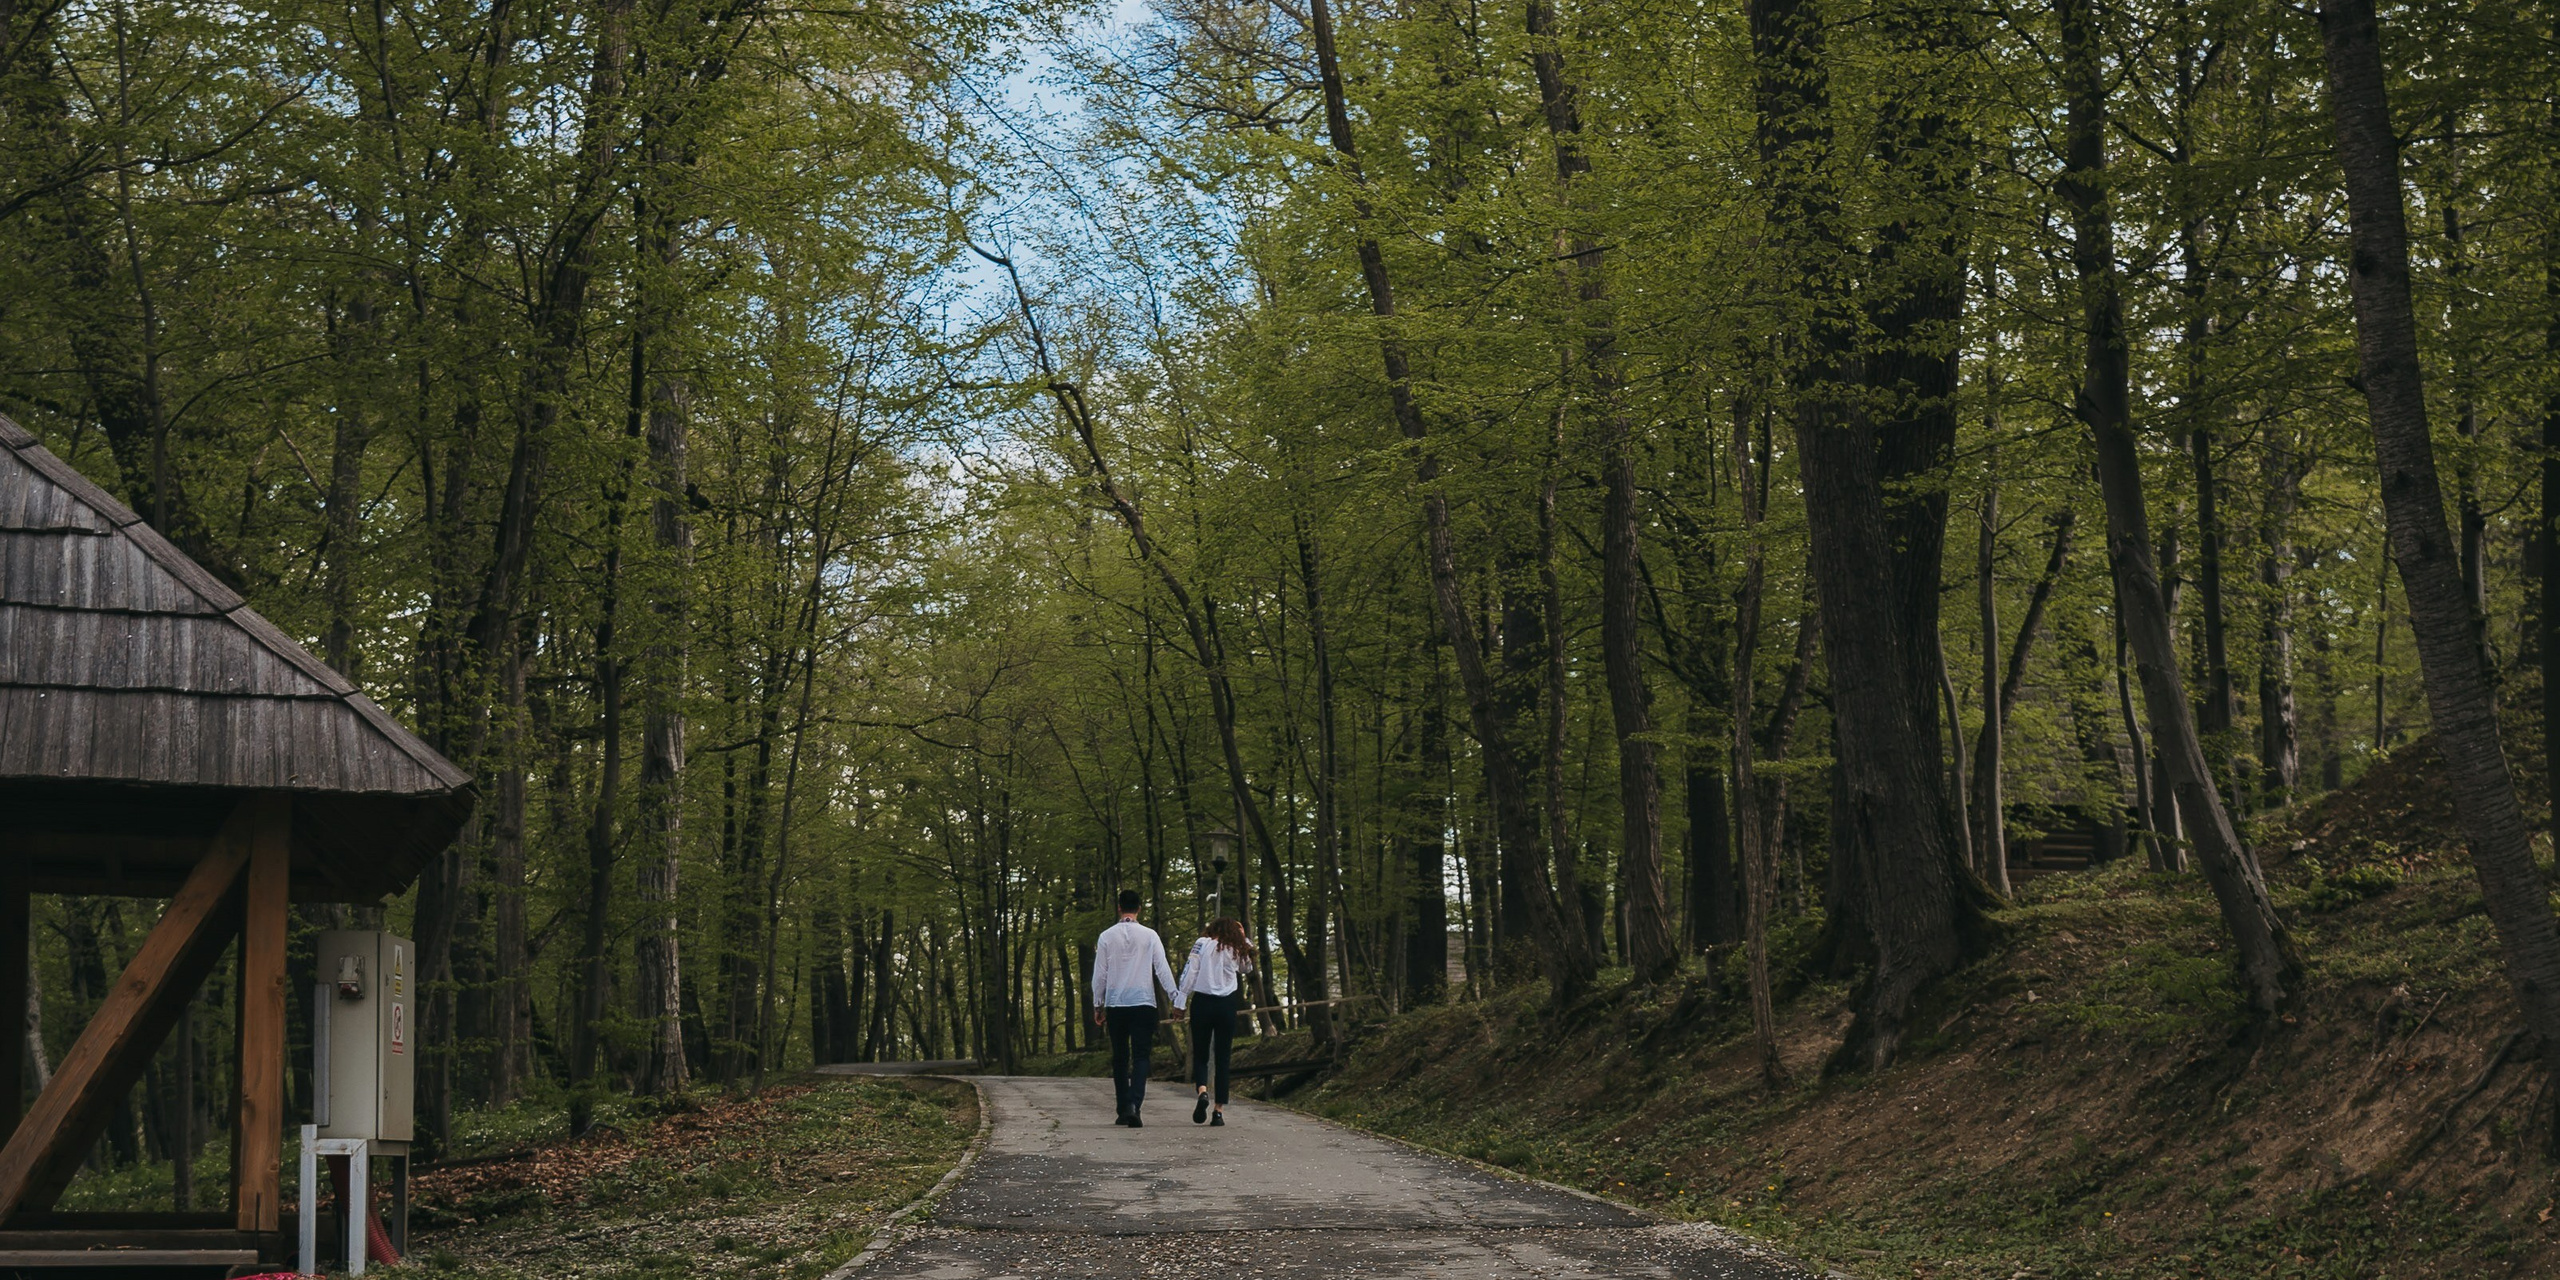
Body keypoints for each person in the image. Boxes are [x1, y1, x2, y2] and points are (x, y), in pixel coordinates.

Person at [1090, 889, 1179, 1127]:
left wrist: (1098, 1004)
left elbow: (1100, 974)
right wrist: (1175, 997)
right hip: (1143, 1002)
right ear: (1139, 908)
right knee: (1141, 1056)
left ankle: (1123, 1108)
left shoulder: (1106, 937)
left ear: (1119, 907)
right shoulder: (1150, 936)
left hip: (1116, 1003)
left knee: (1120, 1058)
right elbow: (1162, 969)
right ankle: (1134, 1105)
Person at [1174, 917, 1255, 1126]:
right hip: (1226, 1005)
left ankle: (1202, 1091)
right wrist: (1244, 938)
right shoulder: (1236, 948)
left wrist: (1180, 1002)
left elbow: (1190, 972)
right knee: (1223, 1058)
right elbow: (1247, 969)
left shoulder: (1201, 944)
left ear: (1212, 929)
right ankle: (1218, 1112)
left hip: (1202, 1002)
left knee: (1201, 1054)